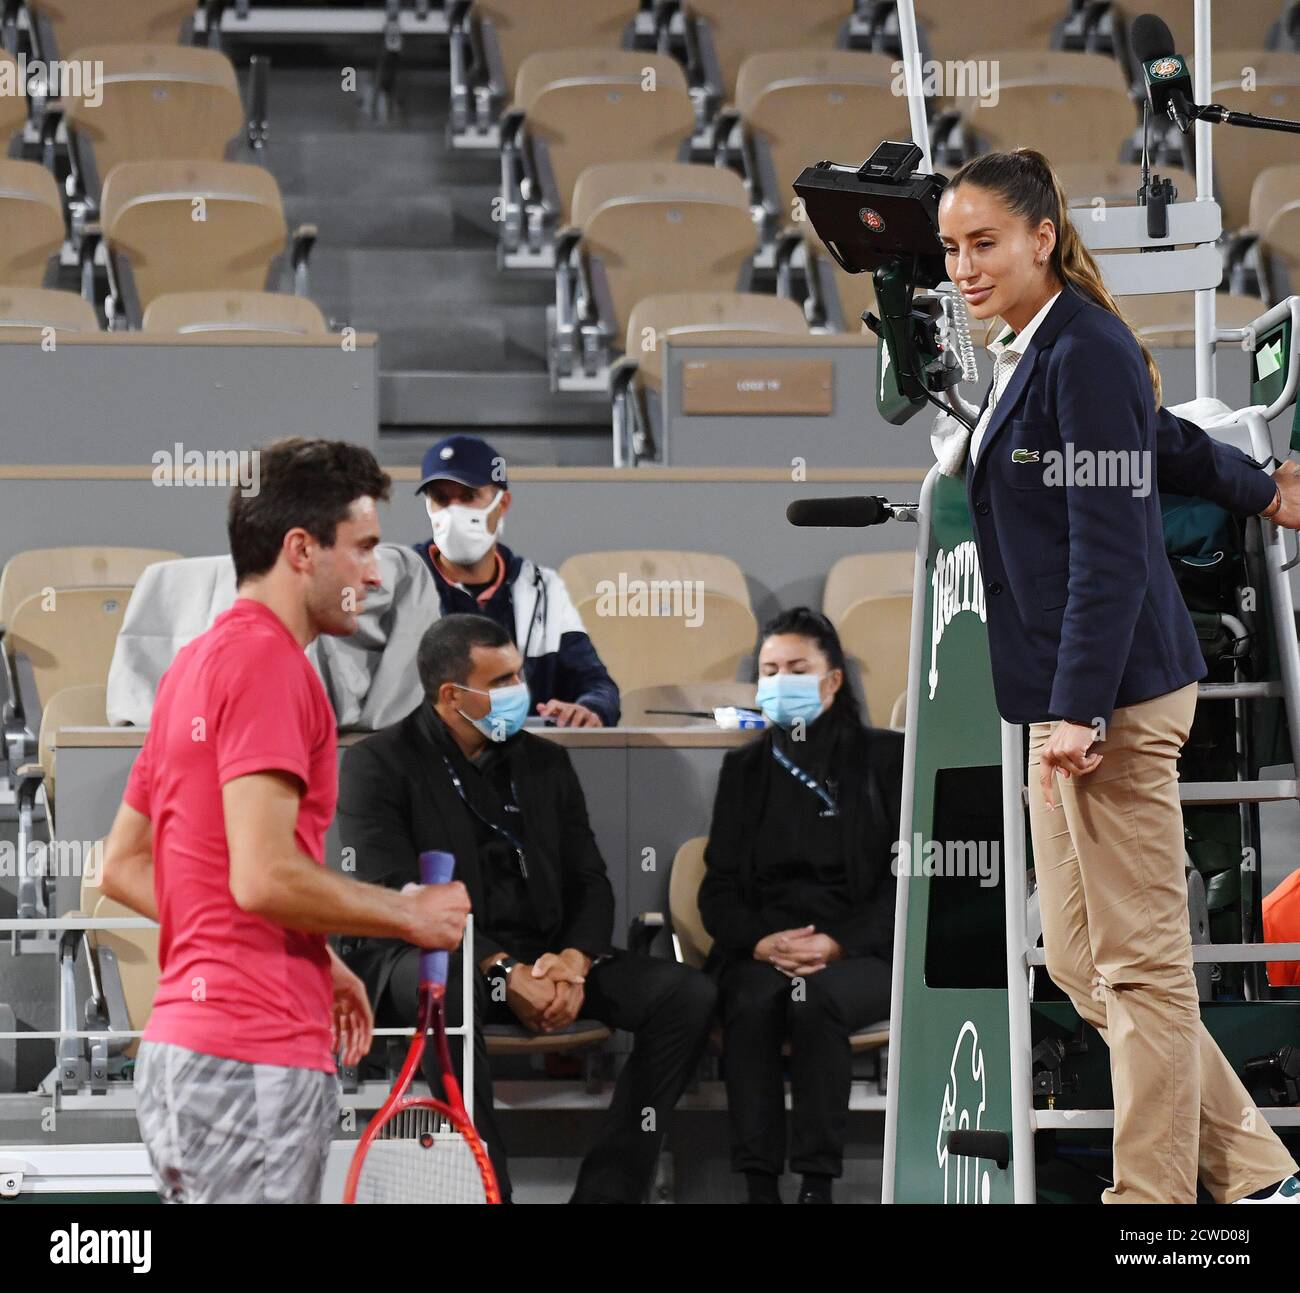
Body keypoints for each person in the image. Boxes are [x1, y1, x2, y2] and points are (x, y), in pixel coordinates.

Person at [939, 146, 1300, 1205]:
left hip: (1110, 700)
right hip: (1074, 697)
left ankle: (1146, 1203)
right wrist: (1262, 489)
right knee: (1080, 967)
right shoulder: (1045, 346)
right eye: (952, 249)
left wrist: (1077, 709)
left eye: (984, 244)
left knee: (1139, 969)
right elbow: (1158, 446)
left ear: (1041, 239)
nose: (963, 267)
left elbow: (1106, 541)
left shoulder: (1081, 347)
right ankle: (1260, 1175)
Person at [98, 438, 471, 1205]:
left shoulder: (191, 667)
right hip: (253, 1058)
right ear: (302, 550)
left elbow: (122, 868)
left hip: (182, 1057)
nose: (376, 573)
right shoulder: (275, 667)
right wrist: (408, 913)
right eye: (363, 548)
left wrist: (314, 954)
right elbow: (264, 874)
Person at [335, 613, 716, 1203]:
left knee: (686, 995)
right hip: (435, 957)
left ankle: (608, 1192)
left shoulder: (545, 762)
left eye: (519, 674)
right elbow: (398, 894)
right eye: (504, 680)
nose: (522, 692)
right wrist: (502, 971)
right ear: (451, 695)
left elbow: (590, 878)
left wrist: (573, 961)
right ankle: (494, 1194)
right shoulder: (379, 764)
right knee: (452, 988)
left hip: (546, 958)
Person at [698, 608, 903, 1205]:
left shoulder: (885, 761)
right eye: (769, 670)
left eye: (797, 668)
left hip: (859, 947)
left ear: (833, 679)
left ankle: (817, 1184)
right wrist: (763, 944)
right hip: (764, 945)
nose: (780, 681)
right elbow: (719, 890)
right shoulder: (743, 769)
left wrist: (836, 943)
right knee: (753, 1000)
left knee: (816, 1003)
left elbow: (906, 881)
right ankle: (759, 1184)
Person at [411, 433, 620, 727]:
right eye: (441, 499)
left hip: (525, 761)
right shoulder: (403, 583)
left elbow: (597, 685)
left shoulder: (542, 588)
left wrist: (588, 710)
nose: (454, 511)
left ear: (502, 503)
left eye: (469, 497)